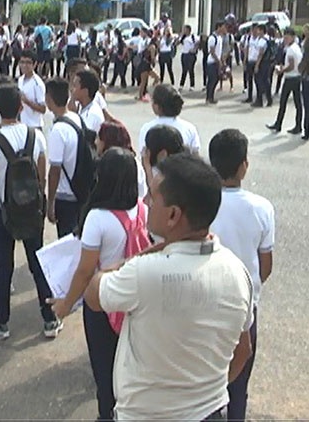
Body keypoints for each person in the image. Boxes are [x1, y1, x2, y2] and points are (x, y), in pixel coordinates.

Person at [83, 153, 254, 421]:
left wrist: (135, 258)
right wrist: (205, 394)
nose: (146, 202)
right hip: (210, 413)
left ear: (173, 215)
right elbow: (244, 350)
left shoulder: (143, 272)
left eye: (152, 196)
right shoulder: (237, 271)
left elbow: (93, 295)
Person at [49, 147, 147, 421]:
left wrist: (65, 305)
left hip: (102, 302)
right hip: (135, 298)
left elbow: (84, 272)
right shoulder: (143, 209)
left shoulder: (98, 218)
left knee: (105, 374)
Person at [0, 84, 61, 340]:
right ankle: (50, 318)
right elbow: (41, 175)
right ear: (21, 107)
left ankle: (1, 322)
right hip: (31, 211)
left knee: (4, 267)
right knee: (36, 264)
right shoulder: (35, 136)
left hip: (2, 211)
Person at [209, 129, 275, 422]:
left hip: (206, 302)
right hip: (245, 306)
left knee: (206, 380)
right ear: (243, 166)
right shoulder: (261, 207)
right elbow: (266, 265)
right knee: (239, 383)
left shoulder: (203, 204)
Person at [45, 77, 84, 238]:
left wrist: (50, 203)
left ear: (48, 99)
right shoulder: (75, 118)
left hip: (65, 196)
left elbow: (55, 170)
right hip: (79, 189)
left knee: (67, 241)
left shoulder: (58, 130)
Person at [137, 84, 200, 156]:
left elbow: (144, 155)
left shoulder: (147, 128)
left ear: (157, 106)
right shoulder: (190, 128)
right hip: (184, 166)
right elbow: (195, 155)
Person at [267, 28, 303, 134]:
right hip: (296, 77)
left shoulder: (291, 49)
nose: (285, 39)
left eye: (287, 37)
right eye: (284, 37)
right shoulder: (296, 47)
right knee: (297, 103)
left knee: (284, 102)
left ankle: (279, 124)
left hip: (291, 78)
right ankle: (297, 125)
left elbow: (291, 66)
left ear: (292, 37)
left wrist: (281, 70)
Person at [16, 51, 46, 130]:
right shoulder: (20, 80)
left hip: (34, 125)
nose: (24, 65)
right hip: (22, 124)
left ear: (34, 64)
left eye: (28, 63)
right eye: (22, 62)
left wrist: (27, 101)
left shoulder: (38, 84)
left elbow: (43, 109)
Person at [205, 22, 227, 104]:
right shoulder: (212, 38)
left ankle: (211, 96)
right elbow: (212, 51)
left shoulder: (220, 38)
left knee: (216, 79)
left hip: (218, 61)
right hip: (212, 62)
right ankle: (208, 98)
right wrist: (218, 61)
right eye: (223, 27)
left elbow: (219, 52)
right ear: (219, 27)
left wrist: (222, 61)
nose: (224, 29)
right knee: (211, 80)